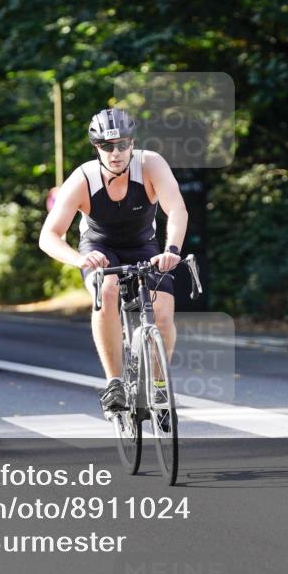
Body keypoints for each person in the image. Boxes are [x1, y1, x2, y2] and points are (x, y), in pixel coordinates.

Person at [39, 108, 188, 412]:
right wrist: (78, 260)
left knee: (162, 312)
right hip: (99, 248)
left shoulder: (150, 165)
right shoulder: (83, 178)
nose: (116, 153)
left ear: (132, 143)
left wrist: (172, 250)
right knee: (107, 289)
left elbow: (177, 210)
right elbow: (49, 236)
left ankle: (159, 386)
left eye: (122, 145)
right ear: (97, 148)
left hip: (143, 245)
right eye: (107, 147)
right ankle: (114, 382)